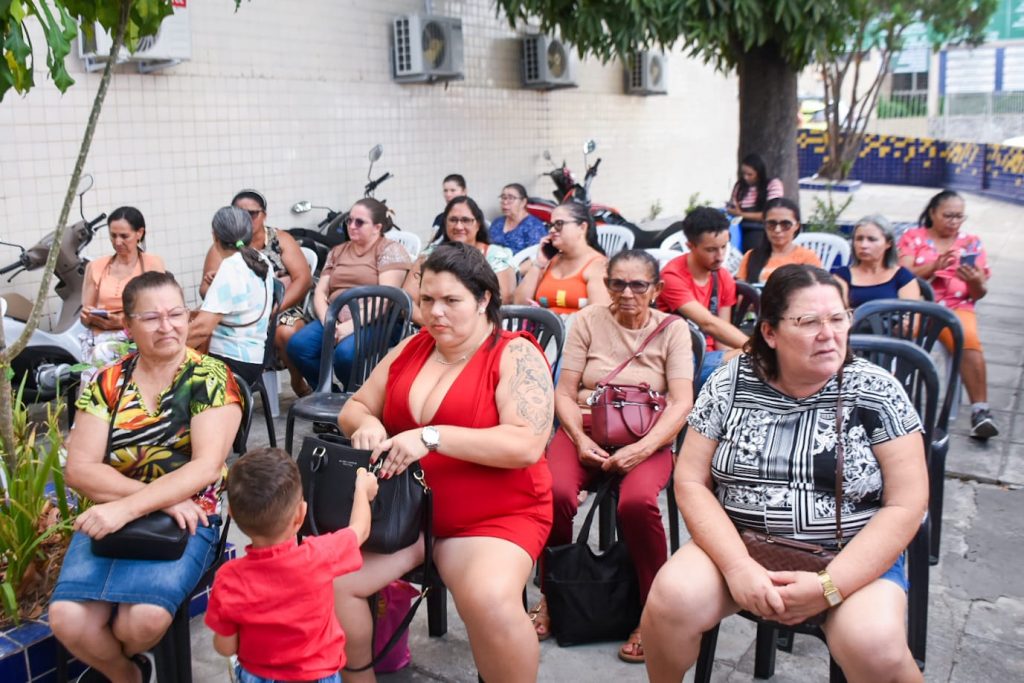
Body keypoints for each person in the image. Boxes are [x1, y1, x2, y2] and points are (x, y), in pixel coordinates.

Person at [640, 264, 928, 683]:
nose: (829, 334)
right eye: (809, 322)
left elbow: (908, 502)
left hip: (850, 552)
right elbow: (690, 480)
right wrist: (738, 566)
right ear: (770, 332)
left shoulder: (876, 390)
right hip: (741, 542)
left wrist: (829, 585)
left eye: (838, 318)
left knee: (874, 645)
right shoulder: (729, 384)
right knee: (670, 602)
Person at [336, 242, 554, 683]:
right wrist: (368, 424)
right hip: (404, 513)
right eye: (427, 299)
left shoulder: (514, 353)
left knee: (491, 601)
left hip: (492, 517)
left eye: (451, 300)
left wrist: (431, 437)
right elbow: (353, 407)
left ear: (483, 299)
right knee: (330, 581)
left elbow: (527, 445)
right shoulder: (413, 347)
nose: (435, 312)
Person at [49, 271, 242, 683]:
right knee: (67, 619)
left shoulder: (208, 377)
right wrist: (155, 499)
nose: (167, 326)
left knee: (142, 620)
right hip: (117, 511)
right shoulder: (108, 381)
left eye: (176, 314)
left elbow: (205, 468)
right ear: (128, 325)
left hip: (190, 517)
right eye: (151, 318)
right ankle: (128, 674)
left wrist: (130, 507)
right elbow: (79, 468)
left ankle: (124, 665)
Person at [529, 249, 694, 663]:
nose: (627, 293)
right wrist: (578, 439)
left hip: (647, 434)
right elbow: (565, 392)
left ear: (656, 289)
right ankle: (552, 594)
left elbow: (681, 402)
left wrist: (642, 449)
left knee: (636, 504)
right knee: (554, 493)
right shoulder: (587, 320)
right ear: (606, 285)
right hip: (586, 427)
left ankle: (651, 609)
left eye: (638, 284)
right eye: (618, 283)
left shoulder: (673, 330)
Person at [206, 447, 378, 683]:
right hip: (319, 675)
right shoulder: (320, 556)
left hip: (259, 676)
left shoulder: (229, 578)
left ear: (232, 514)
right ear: (301, 514)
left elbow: (225, 647)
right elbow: (360, 530)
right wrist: (362, 490)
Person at [898, 190, 997, 439]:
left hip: (957, 307)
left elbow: (979, 293)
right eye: (948, 215)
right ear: (933, 213)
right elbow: (903, 276)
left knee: (968, 340)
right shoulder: (914, 237)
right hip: (919, 305)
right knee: (899, 336)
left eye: (959, 216)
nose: (954, 221)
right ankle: (895, 403)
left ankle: (980, 412)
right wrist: (934, 266)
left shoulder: (971, 242)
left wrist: (974, 281)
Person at [286, 198, 411, 389]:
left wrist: (350, 326)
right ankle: (329, 393)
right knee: (298, 346)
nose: (352, 226)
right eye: (349, 221)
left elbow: (385, 299)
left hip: (377, 322)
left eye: (359, 222)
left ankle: (356, 394)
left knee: (345, 355)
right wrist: (329, 321)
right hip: (335, 318)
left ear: (377, 227)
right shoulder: (338, 251)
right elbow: (320, 291)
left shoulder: (390, 250)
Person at [201, 190, 313, 396]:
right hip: (239, 314)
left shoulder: (280, 239)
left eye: (252, 214)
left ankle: (298, 382)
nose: (246, 219)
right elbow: (205, 290)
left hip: (281, 306)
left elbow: (303, 279)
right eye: (240, 214)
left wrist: (273, 309)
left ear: (264, 215)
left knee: (286, 331)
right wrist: (215, 283)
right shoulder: (222, 248)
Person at [657, 207, 748, 386]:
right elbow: (708, 323)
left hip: (712, 359)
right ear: (690, 246)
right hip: (679, 361)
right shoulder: (671, 276)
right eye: (711, 249)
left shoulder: (723, 277)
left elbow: (722, 337)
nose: (720, 256)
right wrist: (758, 349)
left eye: (724, 246)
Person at [189, 207, 276, 386]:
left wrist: (159, 352)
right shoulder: (260, 259)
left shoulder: (230, 268)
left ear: (215, 237)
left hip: (230, 362)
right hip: (253, 359)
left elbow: (201, 330)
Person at [79, 206, 165, 383]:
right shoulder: (96, 267)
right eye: (113, 235)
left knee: (101, 356)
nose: (118, 242)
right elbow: (85, 316)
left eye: (124, 236)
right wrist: (88, 316)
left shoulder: (152, 264)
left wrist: (123, 322)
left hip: (137, 338)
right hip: (99, 337)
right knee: (98, 354)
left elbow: (160, 310)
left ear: (139, 233)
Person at [406, 196, 516, 325]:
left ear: (478, 224)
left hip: (481, 329)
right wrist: (431, 324)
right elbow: (407, 300)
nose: (458, 226)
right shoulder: (429, 255)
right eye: (453, 220)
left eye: (466, 220)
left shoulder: (496, 255)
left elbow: (504, 299)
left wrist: (460, 328)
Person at [514, 201, 609, 318]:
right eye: (550, 225)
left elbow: (597, 317)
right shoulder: (549, 261)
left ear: (582, 227)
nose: (552, 230)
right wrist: (539, 264)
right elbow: (519, 305)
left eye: (559, 224)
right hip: (542, 328)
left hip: (577, 329)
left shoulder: (598, 266)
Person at [832, 215, 920, 308]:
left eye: (872, 239)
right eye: (859, 239)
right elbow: (839, 312)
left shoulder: (902, 277)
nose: (863, 245)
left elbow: (911, 314)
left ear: (888, 244)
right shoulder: (842, 276)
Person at [737, 198, 821, 284]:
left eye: (785, 224)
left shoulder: (808, 258)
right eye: (771, 224)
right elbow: (742, 289)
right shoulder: (751, 256)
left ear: (797, 226)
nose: (777, 230)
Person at [726, 153, 784, 252]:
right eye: (743, 174)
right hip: (737, 226)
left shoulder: (772, 185)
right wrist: (732, 207)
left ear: (759, 173)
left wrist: (741, 214)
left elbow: (770, 214)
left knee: (752, 244)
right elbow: (734, 205)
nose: (746, 177)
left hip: (759, 228)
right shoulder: (740, 186)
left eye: (750, 174)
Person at [487, 183, 548, 252]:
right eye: (503, 198)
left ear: (523, 202)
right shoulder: (497, 223)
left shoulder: (534, 226)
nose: (505, 202)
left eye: (511, 198)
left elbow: (536, 254)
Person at [429, 173, 468, 241]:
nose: (448, 194)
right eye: (445, 191)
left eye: (453, 190)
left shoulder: (472, 217)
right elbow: (432, 243)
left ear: (464, 192)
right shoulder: (439, 218)